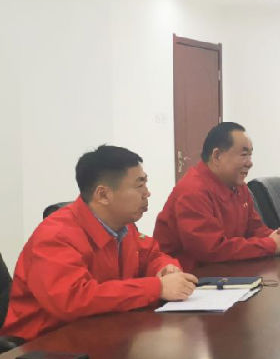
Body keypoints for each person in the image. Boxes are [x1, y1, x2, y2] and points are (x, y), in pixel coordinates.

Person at [2, 145, 196, 342]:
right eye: (139, 186)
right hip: (44, 345)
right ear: (103, 195)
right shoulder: (55, 236)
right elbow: (73, 300)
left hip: (103, 332)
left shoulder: (123, 226)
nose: (147, 193)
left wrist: (165, 268)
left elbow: (151, 255)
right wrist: (157, 288)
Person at [154, 122, 280, 270]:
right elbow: (212, 250)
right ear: (217, 156)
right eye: (244, 155)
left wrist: (279, 237)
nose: (250, 163)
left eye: (250, 155)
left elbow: (254, 228)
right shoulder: (192, 191)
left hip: (226, 269)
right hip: (191, 275)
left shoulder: (238, 186)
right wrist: (271, 245)